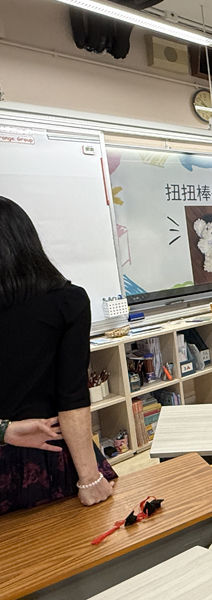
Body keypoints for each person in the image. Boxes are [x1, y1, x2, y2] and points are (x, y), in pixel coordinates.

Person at [0, 197, 116, 516]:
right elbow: (72, 398)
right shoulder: (68, 301)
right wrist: (89, 477)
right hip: (49, 454)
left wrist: (4, 430)